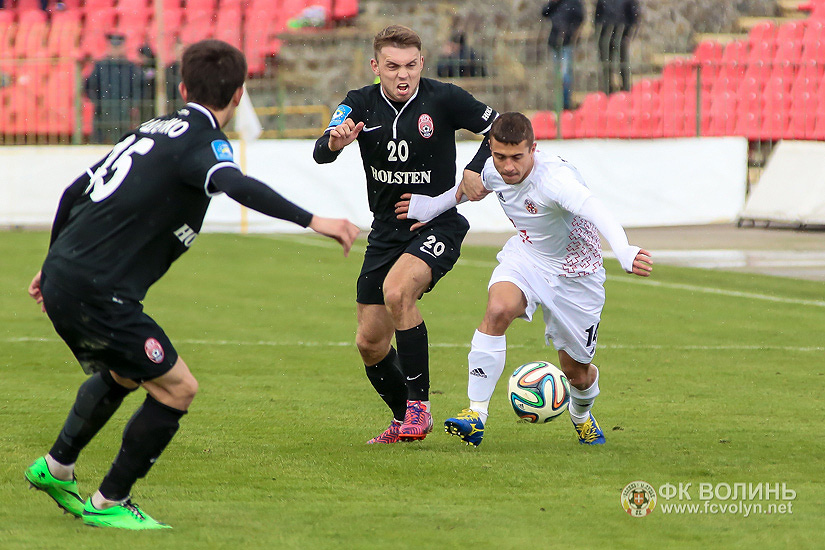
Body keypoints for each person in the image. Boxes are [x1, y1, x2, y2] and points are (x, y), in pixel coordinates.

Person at [25, 39, 359, 530]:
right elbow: (235, 182)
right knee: (178, 388)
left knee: (123, 372)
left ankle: (56, 467)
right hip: (98, 291)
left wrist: (52, 263)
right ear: (240, 94)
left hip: (68, 277)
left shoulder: (155, 127)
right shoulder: (202, 141)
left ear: (181, 86)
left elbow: (74, 191)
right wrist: (314, 219)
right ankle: (109, 501)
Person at [394, 112, 653, 447]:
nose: (508, 166)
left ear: (534, 149)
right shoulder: (494, 169)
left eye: (517, 157)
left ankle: (581, 415)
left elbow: (595, 208)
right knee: (498, 309)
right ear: (491, 149)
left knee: (577, 372)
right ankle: (476, 415)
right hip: (527, 258)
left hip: (577, 276)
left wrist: (624, 250)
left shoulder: (554, 180)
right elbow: (468, 190)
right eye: (500, 156)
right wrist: (429, 207)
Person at [312, 25, 498, 444]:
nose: (403, 75)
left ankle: (420, 407)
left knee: (399, 292)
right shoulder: (359, 103)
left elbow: (499, 127)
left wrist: (474, 167)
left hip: (437, 225)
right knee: (370, 343)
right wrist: (336, 142)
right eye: (393, 66)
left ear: (421, 63)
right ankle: (405, 417)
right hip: (385, 233)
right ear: (376, 66)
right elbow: (321, 151)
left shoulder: (444, 98)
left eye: (411, 65)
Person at [84, 33, 144, 144]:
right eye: (113, 46)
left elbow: (138, 87)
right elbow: (90, 86)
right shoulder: (100, 66)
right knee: (100, 141)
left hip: (124, 110)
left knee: (123, 141)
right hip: (103, 110)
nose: (116, 50)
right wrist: (97, 102)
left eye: (118, 46)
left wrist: (133, 104)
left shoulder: (130, 67)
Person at [542, 0, 584, 111]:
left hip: (566, 42)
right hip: (555, 42)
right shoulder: (555, 4)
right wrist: (553, 3)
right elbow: (544, 13)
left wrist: (570, 31)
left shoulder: (573, 3)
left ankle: (565, 104)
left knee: (565, 75)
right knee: (557, 76)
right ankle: (559, 103)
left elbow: (580, 17)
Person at [595, 0, 640, 94]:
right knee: (606, 66)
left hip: (622, 33)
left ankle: (626, 90)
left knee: (623, 64)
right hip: (605, 35)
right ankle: (608, 91)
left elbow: (634, 15)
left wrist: (628, 32)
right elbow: (598, 16)